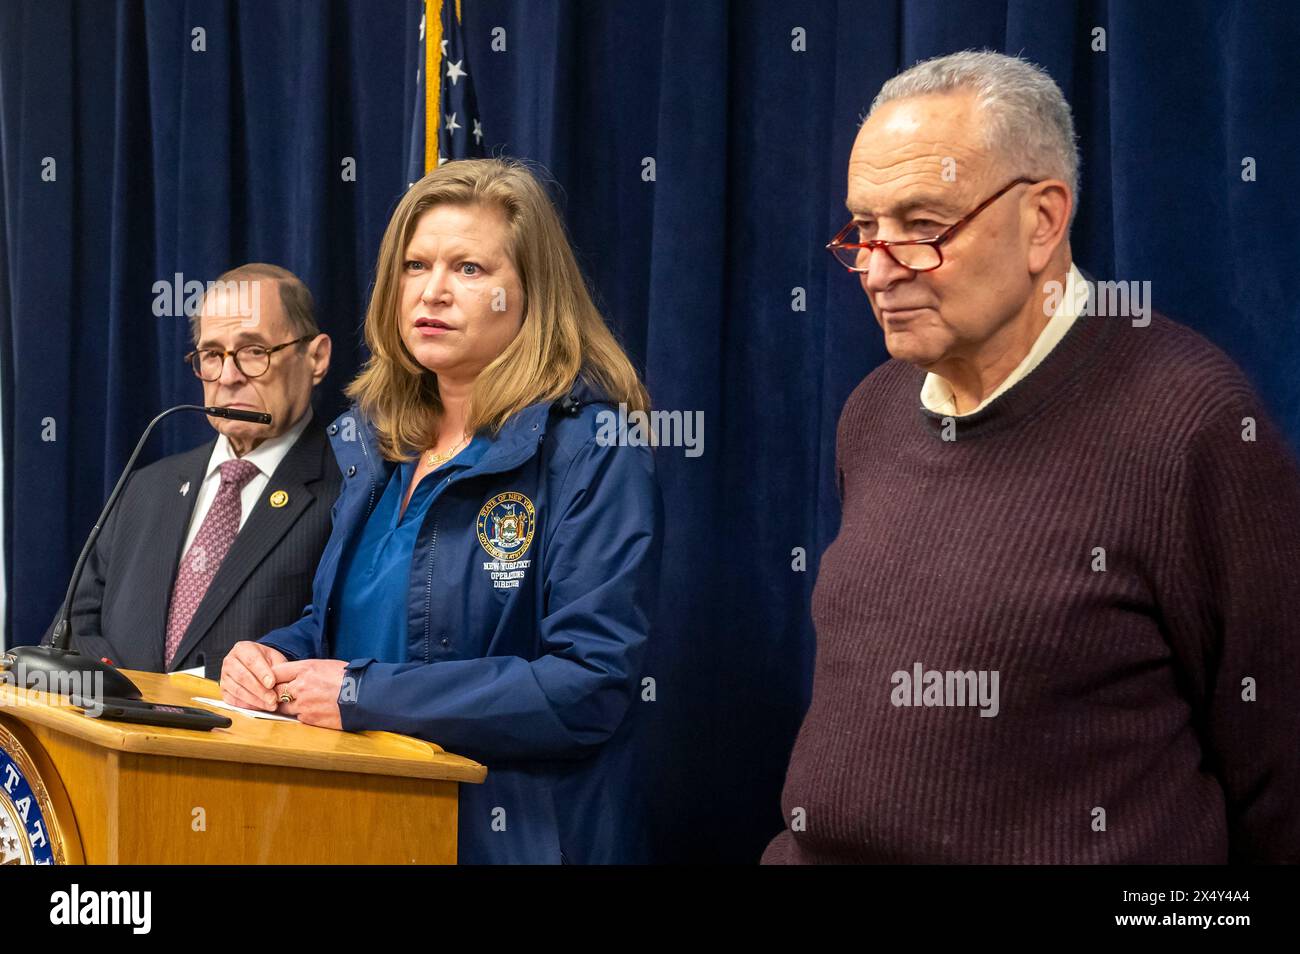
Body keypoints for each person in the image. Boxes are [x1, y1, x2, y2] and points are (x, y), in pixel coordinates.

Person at [763, 50, 1300, 863]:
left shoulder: (1194, 425)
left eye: (922, 227)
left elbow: (1278, 776)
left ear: (1043, 220)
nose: (875, 270)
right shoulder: (873, 412)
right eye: (864, 229)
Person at [220, 159, 662, 865]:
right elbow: (353, 625)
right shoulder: (376, 444)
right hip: (361, 827)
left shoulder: (592, 448)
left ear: (530, 296)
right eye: (415, 265)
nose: (433, 291)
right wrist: (277, 655)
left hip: (510, 837)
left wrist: (363, 695)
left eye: (470, 270)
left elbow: (588, 685)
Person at [49, 264, 338, 680]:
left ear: (316, 357)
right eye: (212, 355)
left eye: (254, 351)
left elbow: (340, 649)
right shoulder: (147, 486)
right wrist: (132, 693)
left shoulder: (350, 490)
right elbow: (70, 631)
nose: (229, 377)